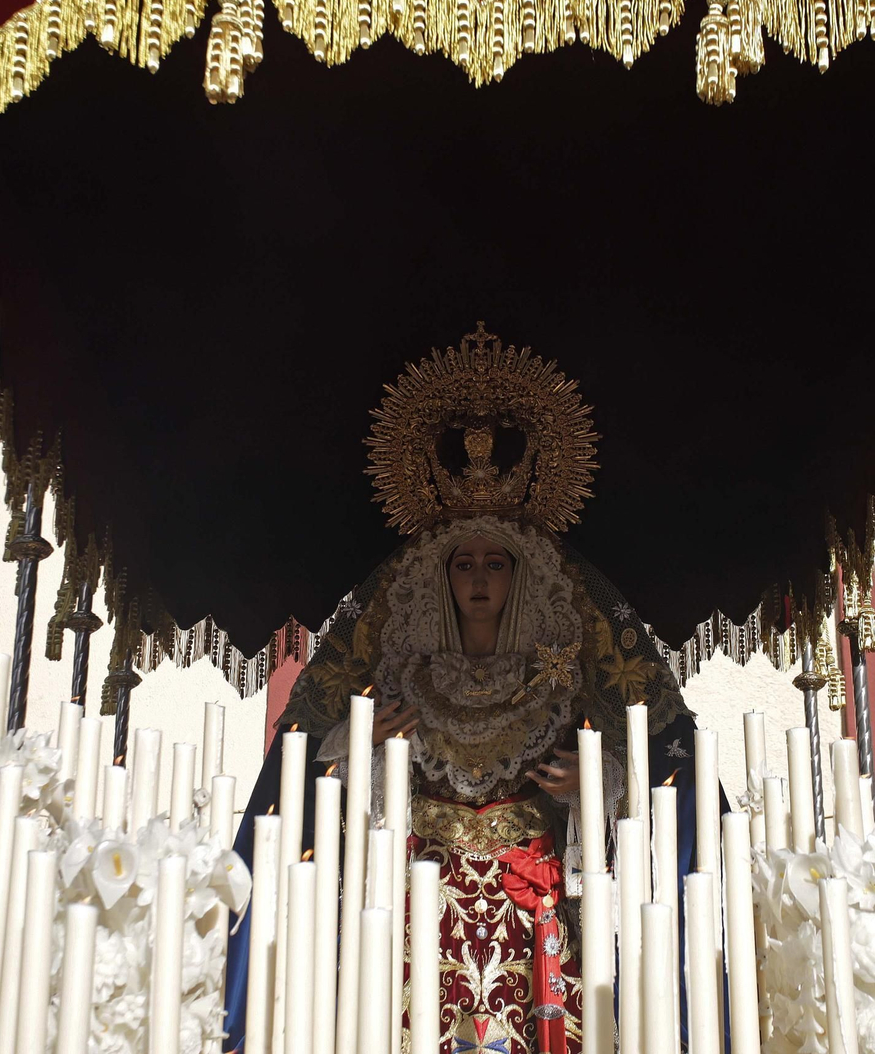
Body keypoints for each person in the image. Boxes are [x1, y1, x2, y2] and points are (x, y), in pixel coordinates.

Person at [224, 326, 721, 1054]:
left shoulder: (563, 673)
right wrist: (357, 750)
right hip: (416, 899)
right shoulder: (396, 672)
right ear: (441, 575)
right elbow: (313, 781)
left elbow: (646, 779)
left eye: (495, 563)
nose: (480, 578)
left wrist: (597, 786)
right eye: (464, 564)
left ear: (521, 575)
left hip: (539, 906)